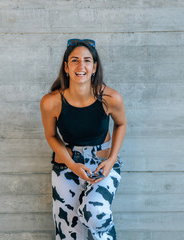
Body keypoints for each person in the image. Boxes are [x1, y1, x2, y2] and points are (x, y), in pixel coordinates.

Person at [40, 39, 127, 240]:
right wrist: (72, 164)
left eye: (87, 60)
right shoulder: (51, 101)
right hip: (66, 166)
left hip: (102, 165)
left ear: (94, 67)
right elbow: (51, 136)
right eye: (75, 60)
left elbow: (121, 124)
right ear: (66, 67)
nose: (81, 66)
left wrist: (112, 160)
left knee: (95, 212)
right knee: (68, 232)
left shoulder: (110, 98)